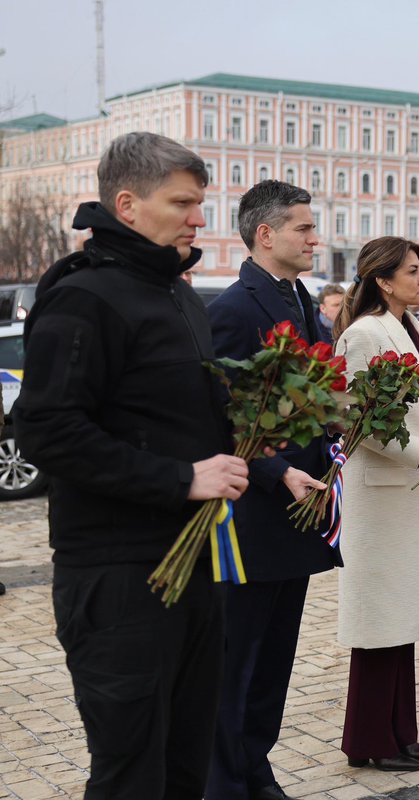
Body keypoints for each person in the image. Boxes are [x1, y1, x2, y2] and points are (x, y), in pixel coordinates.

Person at [14, 131, 249, 799]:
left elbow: (181, 418)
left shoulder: (176, 294)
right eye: (183, 202)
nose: (199, 218)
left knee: (184, 764)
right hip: (119, 577)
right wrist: (181, 480)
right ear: (128, 204)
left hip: (194, 563)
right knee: (131, 774)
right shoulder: (85, 296)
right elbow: (48, 430)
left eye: (200, 202)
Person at [206, 180, 342, 800]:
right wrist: (278, 471)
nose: (316, 239)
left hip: (299, 510)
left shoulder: (304, 300)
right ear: (266, 234)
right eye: (304, 229)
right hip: (253, 519)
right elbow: (226, 417)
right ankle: (223, 778)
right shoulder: (235, 310)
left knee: (275, 661)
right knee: (238, 658)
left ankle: (254, 764)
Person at [333, 237, 419, 771]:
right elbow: (356, 418)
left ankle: (400, 731)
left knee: (401, 618)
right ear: (383, 280)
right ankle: (368, 741)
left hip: (409, 494)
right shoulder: (363, 334)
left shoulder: (412, 326)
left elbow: (418, 411)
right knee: (379, 619)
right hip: (380, 496)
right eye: (413, 270)